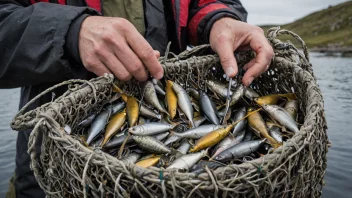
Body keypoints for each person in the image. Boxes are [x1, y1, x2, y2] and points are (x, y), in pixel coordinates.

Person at [0, 0, 273, 197]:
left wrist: (220, 19)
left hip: (173, 183)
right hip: (51, 172)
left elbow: (203, 4)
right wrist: (69, 31)